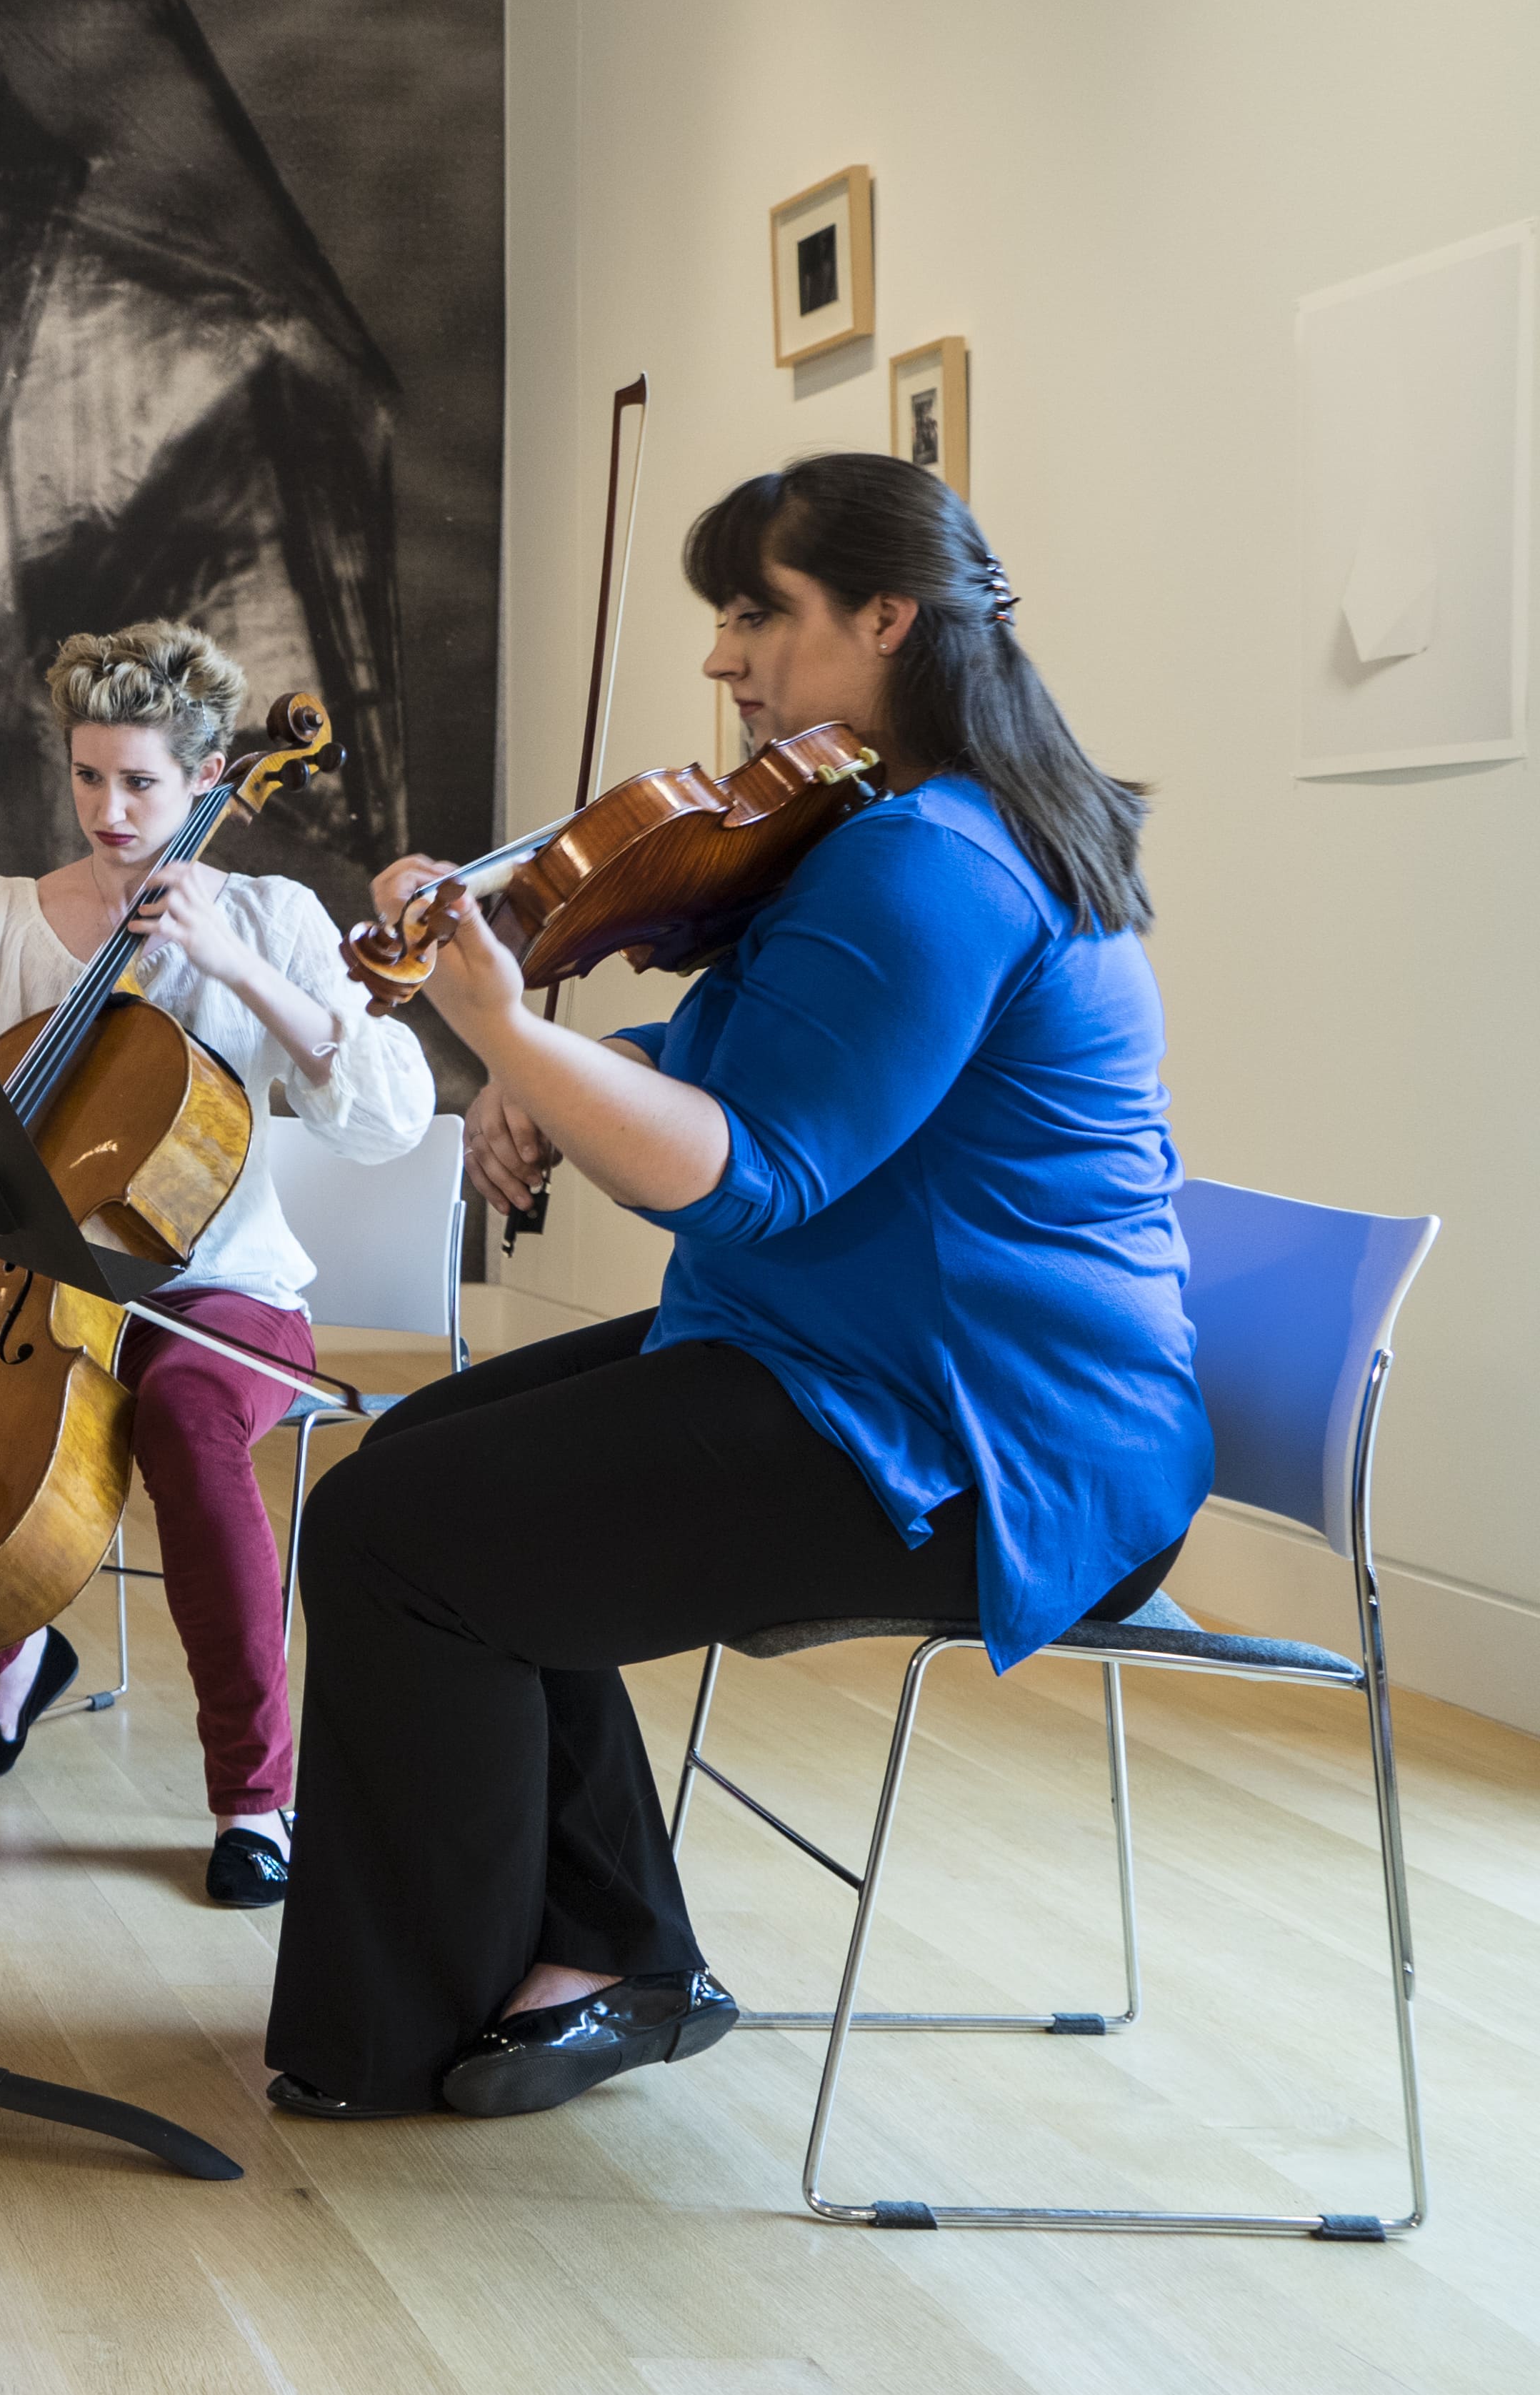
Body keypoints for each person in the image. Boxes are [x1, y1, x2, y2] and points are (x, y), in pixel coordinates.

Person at [266, 453, 1207, 2122]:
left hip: (972, 1442)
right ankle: (613, 1950)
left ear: (888, 617)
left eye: (758, 611)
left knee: (399, 1537)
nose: (724, 659)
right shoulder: (894, 825)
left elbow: (747, 1165)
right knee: (410, 1477)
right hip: (850, 1355)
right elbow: (755, 1056)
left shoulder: (938, 864)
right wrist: (549, 1064)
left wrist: (506, 1031)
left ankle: (456, 2005)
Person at [0, 624, 434, 1906]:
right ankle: (15, 1662)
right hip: (46, 1287)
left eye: (141, 783)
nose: (109, 809)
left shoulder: (272, 917)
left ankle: (259, 1798)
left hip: (227, 1300)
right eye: (88, 777)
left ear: (208, 782)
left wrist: (233, 965)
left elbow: (388, 1116)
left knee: (191, 1431)